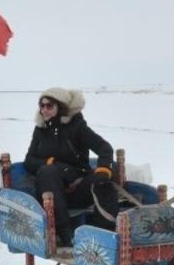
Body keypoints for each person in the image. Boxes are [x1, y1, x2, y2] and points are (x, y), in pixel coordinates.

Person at [22, 87, 119, 246]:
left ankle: (106, 234)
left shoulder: (77, 127)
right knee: (47, 171)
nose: (44, 110)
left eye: (50, 106)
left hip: (79, 188)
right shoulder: (40, 130)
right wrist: (54, 164)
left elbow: (104, 148)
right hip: (53, 194)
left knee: (109, 171)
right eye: (42, 105)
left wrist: (103, 170)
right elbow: (29, 161)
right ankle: (66, 234)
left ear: (60, 107)